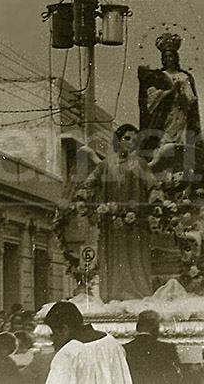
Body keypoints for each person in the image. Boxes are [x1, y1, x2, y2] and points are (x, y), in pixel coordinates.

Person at [79, 124, 154, 301]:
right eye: (127, 138)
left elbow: (153, 187)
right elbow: (88, 184)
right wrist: (83, 199)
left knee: (134, 257)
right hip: (111, 225)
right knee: (114, 258)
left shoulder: (140, 164)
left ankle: (137, 293)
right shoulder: (105, 165)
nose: (130, 143)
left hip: (134, 223)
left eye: (134, 140)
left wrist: (155, 203)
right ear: (118, 140)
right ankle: (113, 294)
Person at [138, 32, 201, 151]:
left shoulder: (184, 76)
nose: (168, 60)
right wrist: (170, 91)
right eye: (165, 57)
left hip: (180, 113)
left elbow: (191, 100)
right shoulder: (158, 76)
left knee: (180, 140)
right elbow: (150, 98)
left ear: (176, 58)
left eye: (171, 56)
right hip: (164, 115)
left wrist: (183, 96)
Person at [42, 301, 132, 384]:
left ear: (65, 330)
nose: (53, 340)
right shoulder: (111, 342)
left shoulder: (68, 354)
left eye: (54, 334)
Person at [124, 310, 182, 384]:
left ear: (137, 327)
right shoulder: (167, 348)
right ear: (156, 328)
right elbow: (175, 377)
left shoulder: (125, 349)